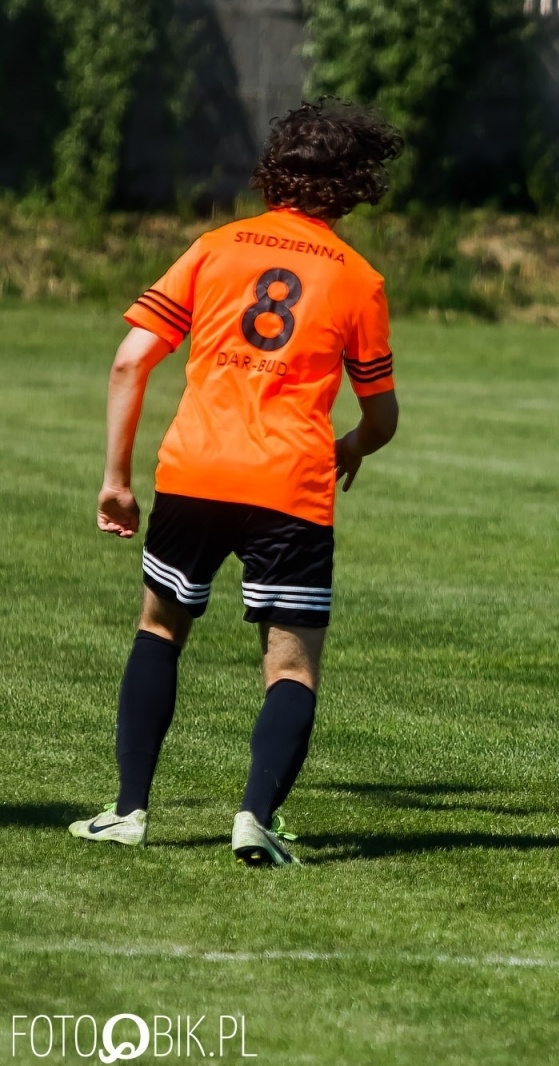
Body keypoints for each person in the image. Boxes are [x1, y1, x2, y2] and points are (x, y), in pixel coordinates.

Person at [67, 100, 404, 866]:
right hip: (291, 483)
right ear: (355, 185)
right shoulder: (360, 280)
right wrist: (349, 445)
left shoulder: (214, 246)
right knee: (290, 665)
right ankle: (255, 817)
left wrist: (116, 479)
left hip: (194, 472)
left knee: (160, 630)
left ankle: (128, 812)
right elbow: (381, 418)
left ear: (272, 169)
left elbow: (129, 359)